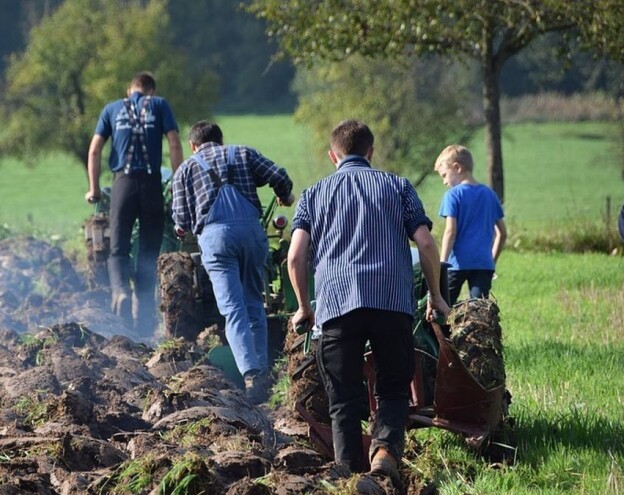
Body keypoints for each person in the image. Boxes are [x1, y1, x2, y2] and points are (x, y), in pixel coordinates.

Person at [287, 120, 450, 481]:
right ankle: (383, 455)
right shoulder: (398, 186)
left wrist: (303, 307)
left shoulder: (313, 195)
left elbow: (296, 256)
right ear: (371, 152)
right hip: (391, 303)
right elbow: (425, 243)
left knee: (342, 397)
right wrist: (436, 296)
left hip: (337, 305)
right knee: (394, 387)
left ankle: (347, 473)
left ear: (333, 155)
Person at [171, 120, 294, 404]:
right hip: (251, 235)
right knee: (254, 301)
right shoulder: (242, 153)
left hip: (216, 241)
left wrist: (184, 227)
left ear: (192, 145)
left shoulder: (186, 169)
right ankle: (262, 368)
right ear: (221, 141)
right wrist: (284, 194)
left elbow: (180, 221)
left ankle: (251, 374)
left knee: (232, 308)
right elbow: (279, 175)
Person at [85, 72, 183, 340]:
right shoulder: (160, 105)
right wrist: (178, 182)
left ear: (130, 90)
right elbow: (174, 142)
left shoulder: (111, 109)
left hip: (123, 185)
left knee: (118, 247)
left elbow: (94, 150)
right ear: (151, 90)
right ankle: (144, 309)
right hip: (151, 185)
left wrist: (94, 189)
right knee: (149, 250)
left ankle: (120, 291)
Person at [434, 145, 507, 302]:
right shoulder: (490, 194)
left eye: (445, 175)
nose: (444, 182)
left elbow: (450, 232)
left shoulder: (453, 195)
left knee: (444, 308)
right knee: (479, 312)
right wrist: (491, 260)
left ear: (457, 168)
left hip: (456, 264)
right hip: (483, 264)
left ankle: (444, 328)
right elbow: (502, 233)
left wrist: (442, 264)